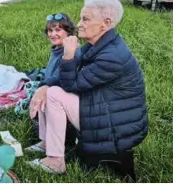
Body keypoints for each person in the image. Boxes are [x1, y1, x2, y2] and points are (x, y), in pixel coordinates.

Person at [27, 0, 148, 174]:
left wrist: (68, 55)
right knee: (49, 90)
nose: (78, 24)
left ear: (106, 23)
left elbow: (71, 84)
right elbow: (66, 76)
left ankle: (56, 161)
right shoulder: (100, 45)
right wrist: (44, 86)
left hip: (117, 126)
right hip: (105, 108)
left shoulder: (112, 56)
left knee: (54, 94)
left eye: (85, 19)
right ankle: (48, 142)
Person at [25, 12, 77, 154]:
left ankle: (54, 144)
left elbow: (63, 78)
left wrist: (44, 87)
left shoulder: (70, 52)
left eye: (58, 30)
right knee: (40, 90)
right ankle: (45, 140)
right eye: (50, 30)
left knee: (46, 93)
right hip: (56, 93)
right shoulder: (56, 51)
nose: (53, 34)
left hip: (67, 100)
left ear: (68, 32)